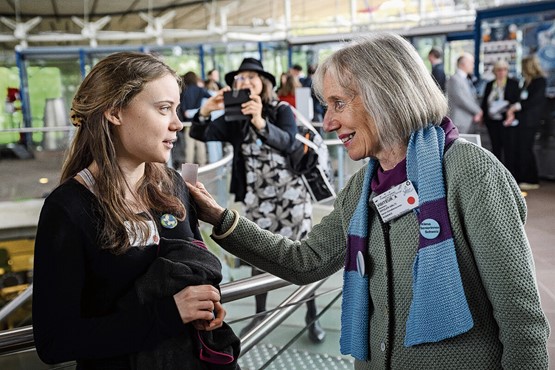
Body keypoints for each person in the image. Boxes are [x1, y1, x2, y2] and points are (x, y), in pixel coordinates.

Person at [187, 33, 550, 369]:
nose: (327, 123)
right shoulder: (365, 186)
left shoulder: (471, 172)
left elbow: (522, 325)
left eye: (338, 103)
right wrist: (220, 218)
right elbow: (306, 261)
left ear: (386, 96)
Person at [32, 51, 240, 369]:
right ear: (115, 112)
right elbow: (54, 341)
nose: (178, 123)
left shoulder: (173, 185)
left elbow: (192, 268)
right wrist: (170, 313)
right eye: (164, 109)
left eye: (177, 109)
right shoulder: (68, 209)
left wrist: (205, 307)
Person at [189, 57, 326, 343]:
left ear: (263, 83)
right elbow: (200, 133)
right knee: (257, 254)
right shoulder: (234, 120)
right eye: (240, 78)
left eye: (252, 77)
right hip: (257, 199)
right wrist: (205, 110)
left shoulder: (281, 110)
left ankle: (311, 317)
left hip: (291, 199)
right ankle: (259, 315)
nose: (245, 82)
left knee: (305, 255)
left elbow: (289, 141)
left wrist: (260, 121)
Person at [505, 54, 548, 190]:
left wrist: (517, 106)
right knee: (521, 148)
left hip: (531, 122)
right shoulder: (526, 82)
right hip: (522, 121)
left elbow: (533, 101)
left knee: (526, 149)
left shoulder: (540, 81)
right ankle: (522, 177)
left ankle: (531, 179)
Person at [480, 59, 520, 165]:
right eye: (499, 70)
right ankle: (497, 175)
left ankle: (511, 176)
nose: (502, 72)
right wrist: (483, 117)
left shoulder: (513, 84)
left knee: (509, 150)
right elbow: (484, 102)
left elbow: (517, 101)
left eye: (504, 69)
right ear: (495, 71)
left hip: (506, 121)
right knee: (495, 148)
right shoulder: (490, 85)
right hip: (492, 121)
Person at [446, 52, 483, 134]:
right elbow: (461, 99)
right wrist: (478, 111)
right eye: (471, 63)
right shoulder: (454, 79)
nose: (473, 66)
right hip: (460, 121)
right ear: (463, 64)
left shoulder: (466, 79)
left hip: (468, 121)